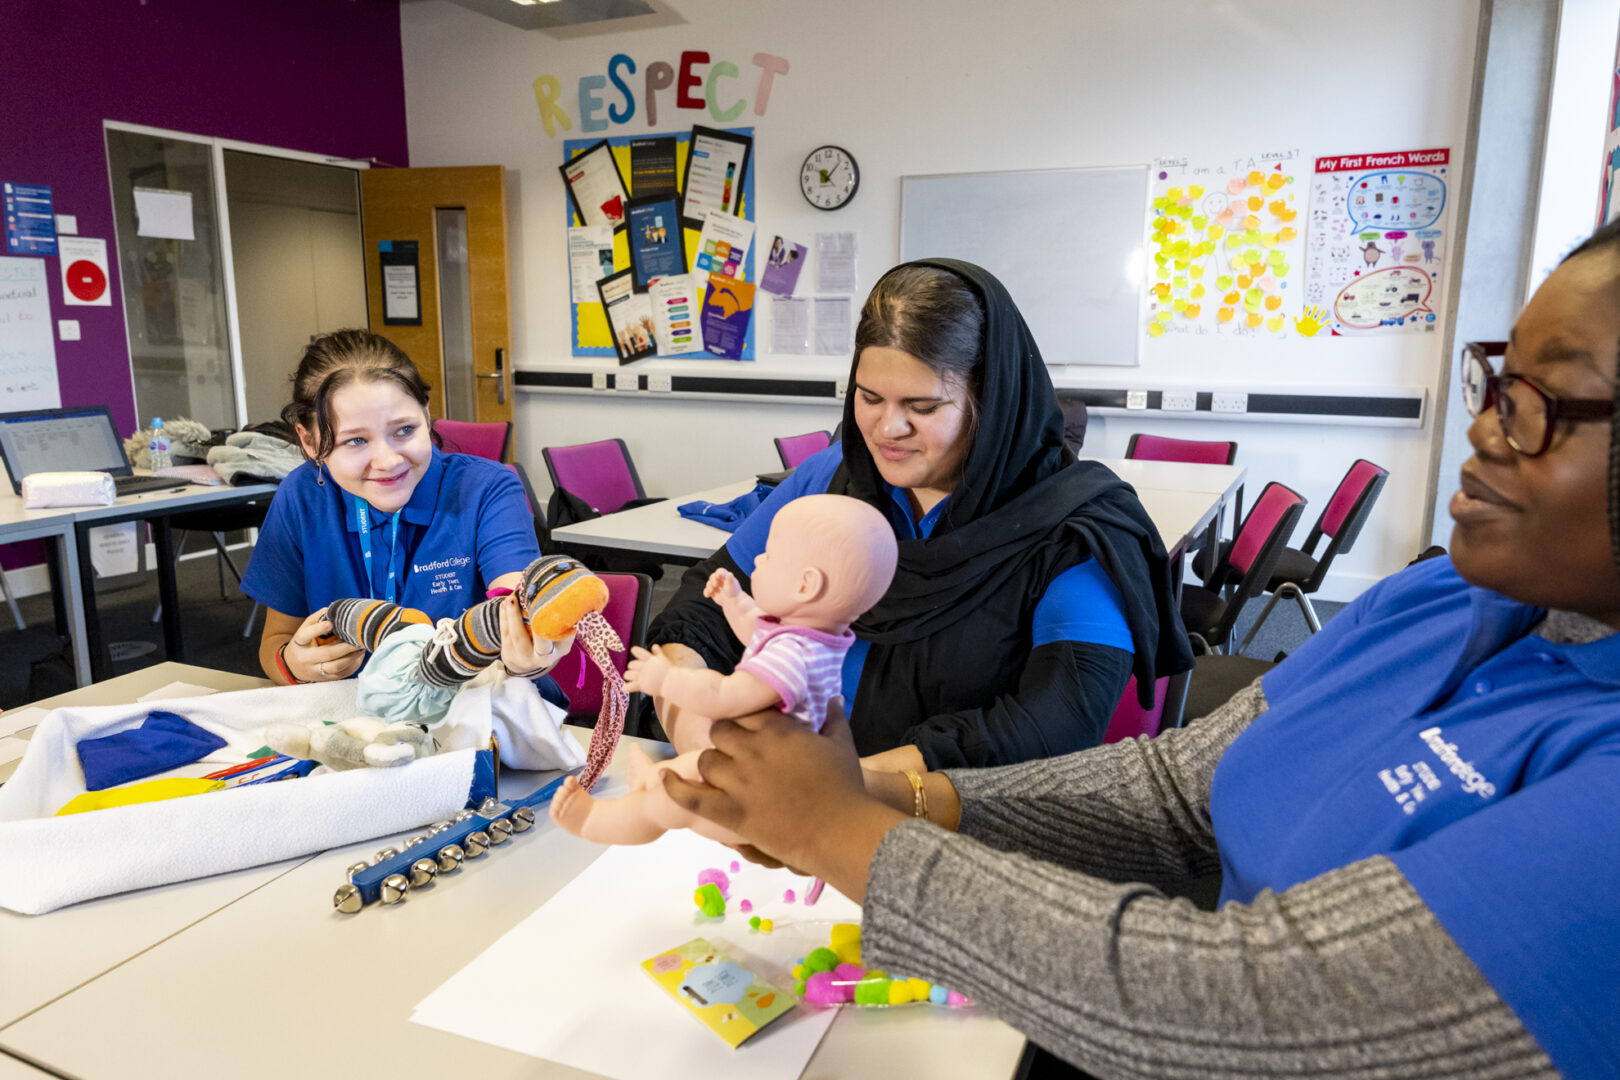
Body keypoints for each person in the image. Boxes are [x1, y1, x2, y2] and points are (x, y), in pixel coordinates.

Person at [661, 223, 1620, 1079]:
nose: (1485, 431)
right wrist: (877, 798)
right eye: (1496, 381)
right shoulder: (1436, 599)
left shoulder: (1070, 526)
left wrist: (845, 829)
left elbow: (1247, 1001)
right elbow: (1177, 791)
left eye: (1552, 399)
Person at [648, 260, 1191, 770]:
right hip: (791, 795)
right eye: (869, 397)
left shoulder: (1075, 532)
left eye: (922, 407)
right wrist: (698, 731)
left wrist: (842, 791)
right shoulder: (835, 478)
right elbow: (700, 610)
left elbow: (1053, 726)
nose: (887, 429)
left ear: (990, 402)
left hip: (950, 827)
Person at [551, 494, 897, 846]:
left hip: (766, 787)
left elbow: (723, 696)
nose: (758, 559)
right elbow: (757, 633)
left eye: (771, 555)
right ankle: (654, 776)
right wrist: (734, 601)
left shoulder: (792, 658)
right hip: (782, 771)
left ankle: (596, 819)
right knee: (681, 773)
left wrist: (667, 680)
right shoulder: (816, 639)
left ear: (805, 585)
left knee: (667, 800)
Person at [241, 330, 565, 690]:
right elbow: (276, 642)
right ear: (310, 441)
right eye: (356, 440)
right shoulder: (302, 497)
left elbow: (516, 605)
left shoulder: (486, 488)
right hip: (354, 719)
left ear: (426, 417)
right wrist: (294, 664)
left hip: (477, 711)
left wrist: (529, 647)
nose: (388, 460)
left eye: (405, 430)